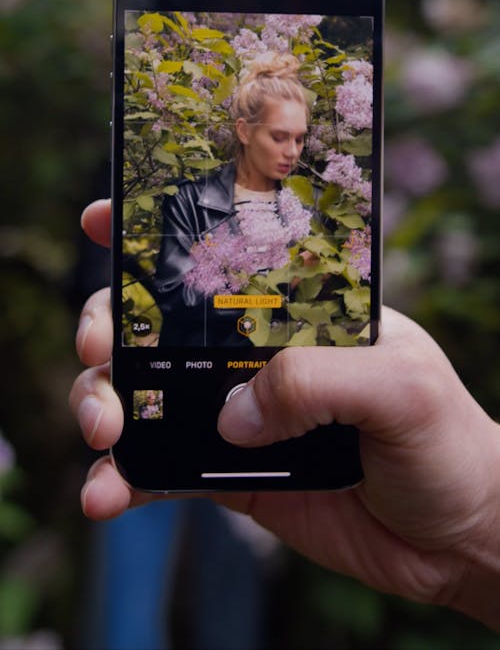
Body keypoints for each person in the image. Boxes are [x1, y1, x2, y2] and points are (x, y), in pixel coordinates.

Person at [71, 199, 500, 633]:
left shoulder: (282, 215)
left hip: (256, 417)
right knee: (137, 586)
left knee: (228, 586)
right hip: (167, 402)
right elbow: (96, 274)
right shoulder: (166, 195)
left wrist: (481, 525)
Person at [152, 52, 312, 347]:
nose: (292, 152)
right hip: (200, 369)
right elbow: (175, 297)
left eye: (299, 139)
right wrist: (279, 282)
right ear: (244, 131)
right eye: (279, 137)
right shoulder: (190, 201)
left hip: (277, 375)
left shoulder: (303, 211)